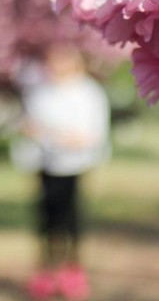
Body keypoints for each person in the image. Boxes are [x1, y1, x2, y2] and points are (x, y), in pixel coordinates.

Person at [17, 44, 111, 301]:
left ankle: (72, 270)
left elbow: (92, 135)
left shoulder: (89, 93)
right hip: (45, 165)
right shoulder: (42, 92)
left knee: (71, 219)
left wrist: (56, 137)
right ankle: (46, 270)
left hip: (74, 166)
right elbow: (30, 126)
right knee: (46, 219)